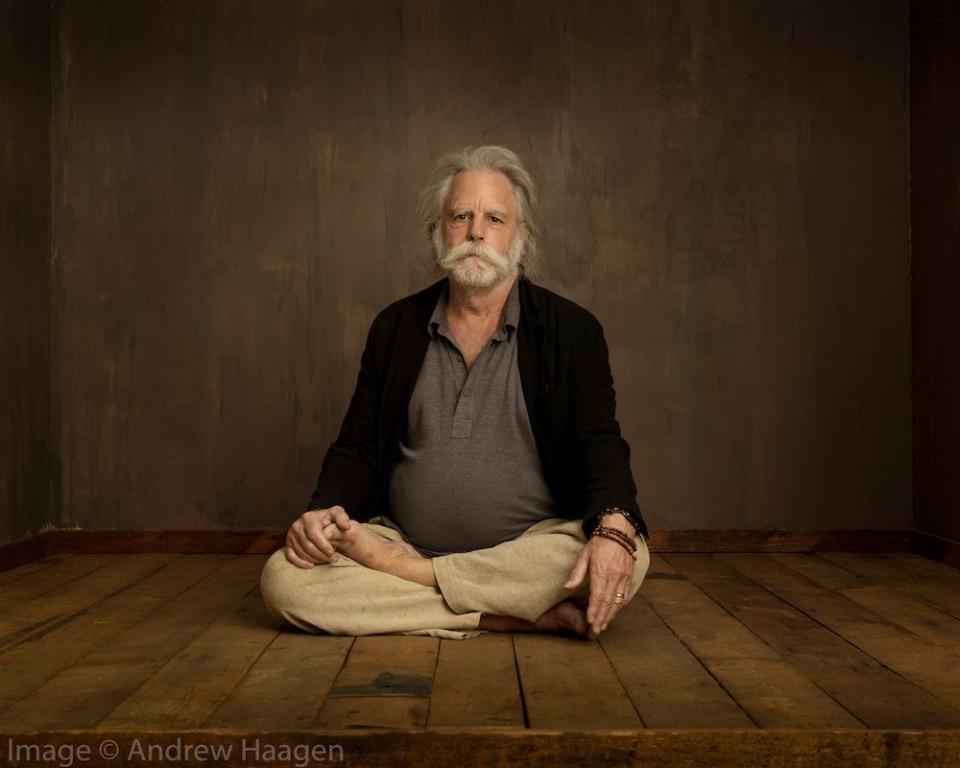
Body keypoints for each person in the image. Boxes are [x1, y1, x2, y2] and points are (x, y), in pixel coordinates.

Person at [260, 145, 650, 640]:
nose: (476, 233)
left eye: (494, 218)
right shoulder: (395, 328)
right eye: (460, 215)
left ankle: (419, 584)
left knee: (628, 555)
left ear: (521, 237)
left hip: (522, 547)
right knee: (284, 581)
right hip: (403, 539)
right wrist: (323, 512)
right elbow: (357, 446)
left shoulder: (573, 332)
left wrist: (615, 528)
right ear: (438, 231)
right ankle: (504, 615)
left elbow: (598, 439)